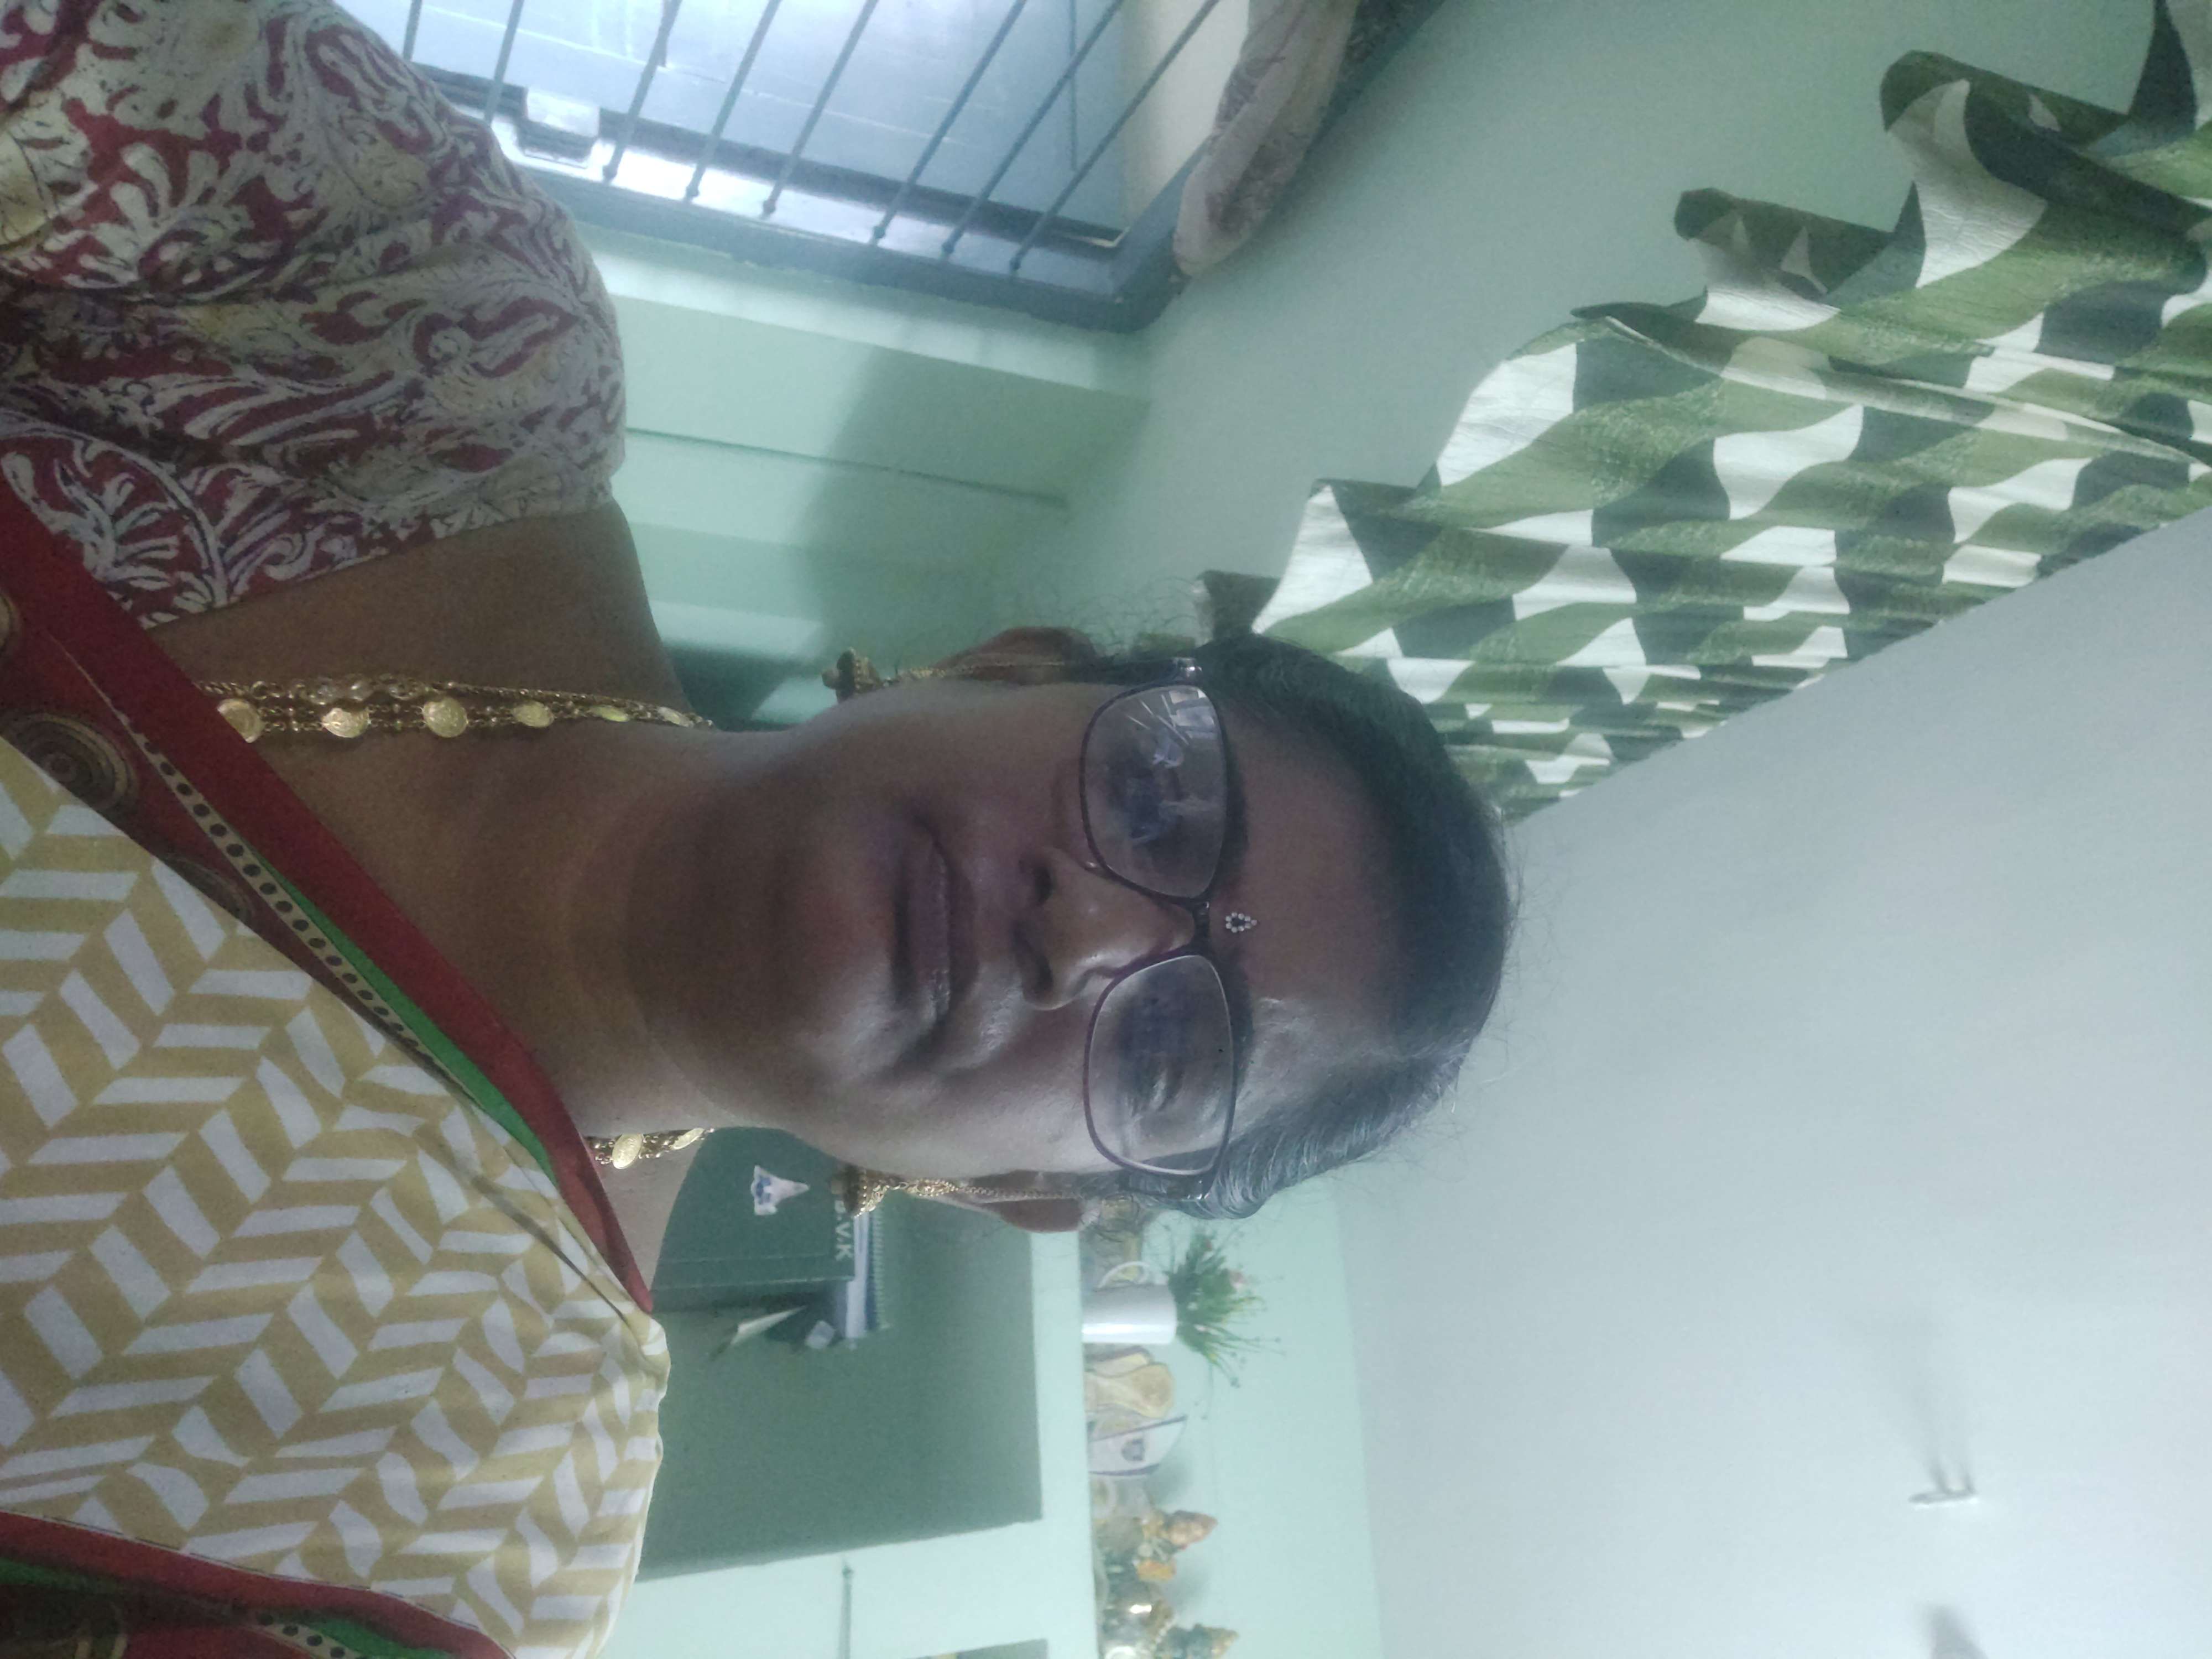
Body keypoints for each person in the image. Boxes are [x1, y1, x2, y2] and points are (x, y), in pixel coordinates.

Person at [0, 1, 1512, 1654]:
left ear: (1020, 1187)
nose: (1081, 933)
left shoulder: (476, 1504)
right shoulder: (435, 343)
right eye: (1159, 802)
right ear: (1005, 665)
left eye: (1164, 1053)